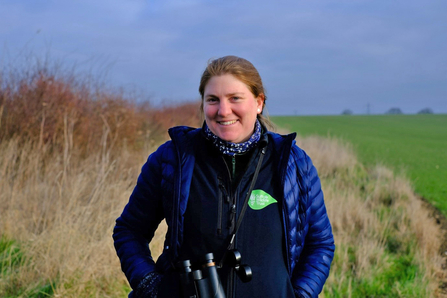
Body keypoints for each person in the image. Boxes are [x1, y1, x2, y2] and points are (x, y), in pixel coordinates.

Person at [113, 55, 335, 298]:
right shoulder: (173, 158)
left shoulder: (293, 163)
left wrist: (301, 294)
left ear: (258, 102)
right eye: (212, 100)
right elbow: (129, 230)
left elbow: (319, 244)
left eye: (235, 98)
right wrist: (150, 285)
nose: (223, 110)